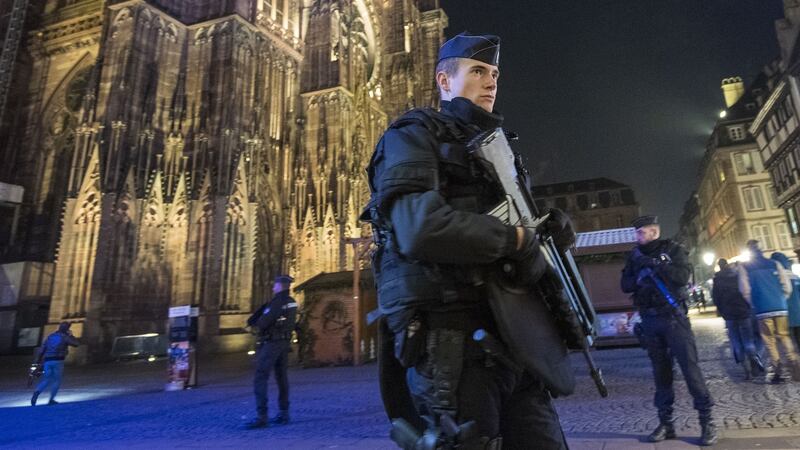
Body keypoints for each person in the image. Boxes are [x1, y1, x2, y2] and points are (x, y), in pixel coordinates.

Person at [361, 32, 576, 449]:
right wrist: (515, 239)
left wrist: (548, 233)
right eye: (477, 71)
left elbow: (523, 236)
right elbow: (418, 227)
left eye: (494, 73)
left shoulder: (500, 151)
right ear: (444, 82)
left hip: (517, 339)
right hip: (453, 349)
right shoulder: (412, 135)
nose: (491, 82)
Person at [620, 215, 716, 446]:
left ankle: (707, 421)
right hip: (650, 321)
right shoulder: (635, 256)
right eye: (637, 233)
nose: (637, 236)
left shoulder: (674, 250)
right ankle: (666, 423)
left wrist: (658, 266)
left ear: (654, 232)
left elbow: (683, 277)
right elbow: (625, 285)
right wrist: (640, 273)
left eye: (641, 232)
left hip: (674, 319)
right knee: (661, 374)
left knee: (690, 370)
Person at [738, 242, 800, 383]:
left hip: (762, 308)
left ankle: (778, 373)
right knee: (784, 336)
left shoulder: (745, 267)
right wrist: (781, 299)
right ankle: (796, 369)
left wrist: (754, 303)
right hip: (780, 306)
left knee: (769, 340)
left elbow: (745, 289)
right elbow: (786, 285)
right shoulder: (774, 263)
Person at [242, 274, 298, 429]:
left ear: (280, 286)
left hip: (272, 343)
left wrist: (254, 327)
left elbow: (264, 322)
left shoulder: (277, 302)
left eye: (275, 285)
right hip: (284, 344)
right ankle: (284, 413)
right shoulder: (291, 302)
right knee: (281, 377)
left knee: (260, 376)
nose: (273, 287)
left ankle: (262, 416)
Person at [711, 258, 762, 380]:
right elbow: (745, 291)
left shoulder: (717, 280)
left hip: (729, 314)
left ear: (719, 266)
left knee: (735, 340)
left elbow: (716, 298)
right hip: (743, 311)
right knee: (748, 339)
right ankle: (753, 357)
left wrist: (722, 311)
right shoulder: (737, 275)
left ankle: (746, 370)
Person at [31, 322, 80, 406]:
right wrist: (71, 335)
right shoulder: (64, 337)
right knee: (56, 380)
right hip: (58, 360)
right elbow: (76, 344)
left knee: (46, 379)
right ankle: (51, 399)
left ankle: (36, 393)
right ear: (67, 329)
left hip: (47, 361)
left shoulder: (50, 337)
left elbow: (42, 350)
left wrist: (37, 362)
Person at [773, 253, 800, 352]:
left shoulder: (775, 278)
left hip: (782, 313)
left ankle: (792, 358)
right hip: (797, 313)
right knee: (798, 337)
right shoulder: (795, 276)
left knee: (785, 339)